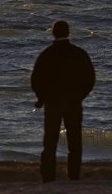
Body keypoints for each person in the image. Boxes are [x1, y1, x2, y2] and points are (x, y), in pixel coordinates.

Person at [31, 20, 95, 182]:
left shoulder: (47, 54)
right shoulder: (79, 53)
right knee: (74, 143)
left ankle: (48, 177)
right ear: (68, 33)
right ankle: (73, 176)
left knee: (50, 143)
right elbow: (90, 79)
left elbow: (36, 79)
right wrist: (79, 96)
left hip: (53, 102)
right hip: (73, 102)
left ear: (53, 33)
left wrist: (41, 98)